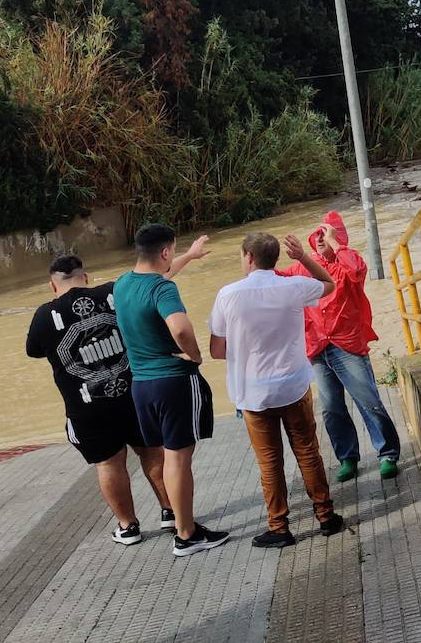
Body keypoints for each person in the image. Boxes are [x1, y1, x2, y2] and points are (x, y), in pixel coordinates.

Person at [26, 254, 179, 545]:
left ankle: (128, 526)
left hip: (86, 408)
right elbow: (153, 279)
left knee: (109, 464)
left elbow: (33, 350)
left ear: (52, 285)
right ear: (85, 278)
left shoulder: (44, 316)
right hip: (133, 395)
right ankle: (171, 512)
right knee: (152, 453)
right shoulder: (113, 292)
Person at [209, 233, 345, 548]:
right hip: (294, 386)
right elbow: (329, 284)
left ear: (248, 257)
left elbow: (217, 350)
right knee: (308, 451)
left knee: (269, 462)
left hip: (253, 393)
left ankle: (279, 527)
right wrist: (304, 257)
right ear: (275, 258)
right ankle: (326, 516)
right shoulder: (292, 287)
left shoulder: (228, 295)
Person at [115, 223, 229, 556]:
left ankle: (180, 522)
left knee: (167, 456)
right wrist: (194, 356)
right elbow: (179, 327)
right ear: (165, 252)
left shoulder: (123, 284)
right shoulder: (163, 291)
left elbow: (157, 279)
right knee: (180, 460)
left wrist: (190, 257)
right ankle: (186, 534)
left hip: (142, 386)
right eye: (174, 252)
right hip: (173, 382)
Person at [280, 211, 400, 482]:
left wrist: (337, 244)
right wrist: (257, 267)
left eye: (327, 233)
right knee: (331, 407)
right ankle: (347, 457)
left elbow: (357, 272)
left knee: (368, 400)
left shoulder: (349, 260)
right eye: (318, 233)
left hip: (347, 344)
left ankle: (388, 453)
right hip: (318, 348)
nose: (321, 238)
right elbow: (279, 279)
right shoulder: (304, 267)